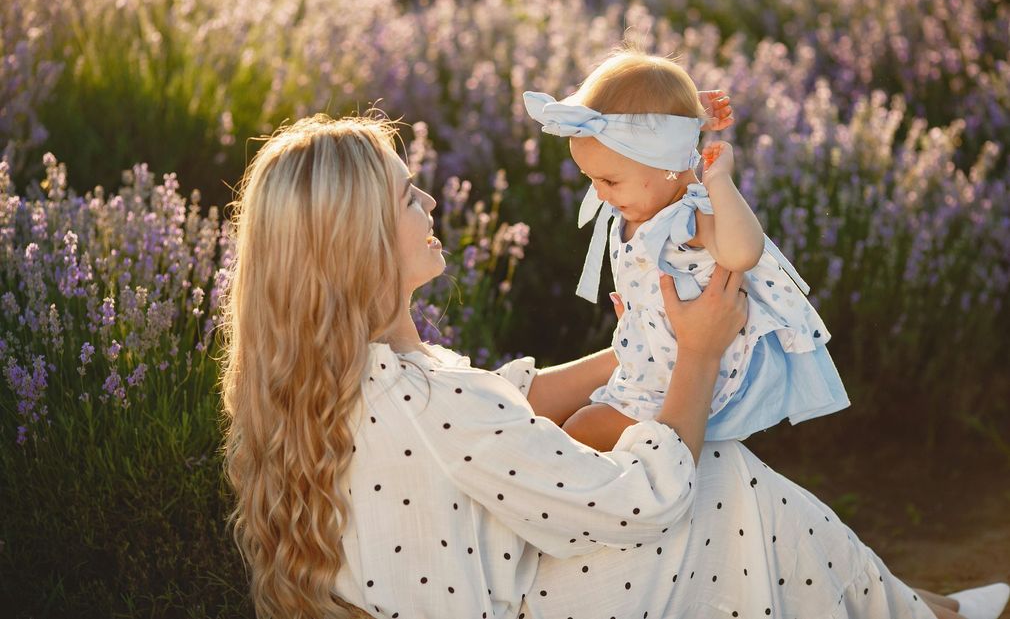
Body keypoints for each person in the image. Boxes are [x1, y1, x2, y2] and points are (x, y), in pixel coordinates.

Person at [220, 114, 1007, 619]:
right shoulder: (436, 404)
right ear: (360, 242)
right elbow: (642, 499)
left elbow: (506, 405)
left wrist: (632, 349)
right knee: (717, 479)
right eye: (407, 197)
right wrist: (695, 357)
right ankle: (915, 615)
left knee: (706, 475)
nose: (430, 204)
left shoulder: (355, 378)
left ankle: (913, 610)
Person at [523, 48, 849, 451]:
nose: (598, 193)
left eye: (609, 180)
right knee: (570, 428)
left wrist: (720, 181)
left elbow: (743, 252)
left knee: (579, 432)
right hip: (651, 366)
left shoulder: (687, 215)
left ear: (666, 164)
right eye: (592, 179)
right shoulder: (644, 203)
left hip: (683, 377)